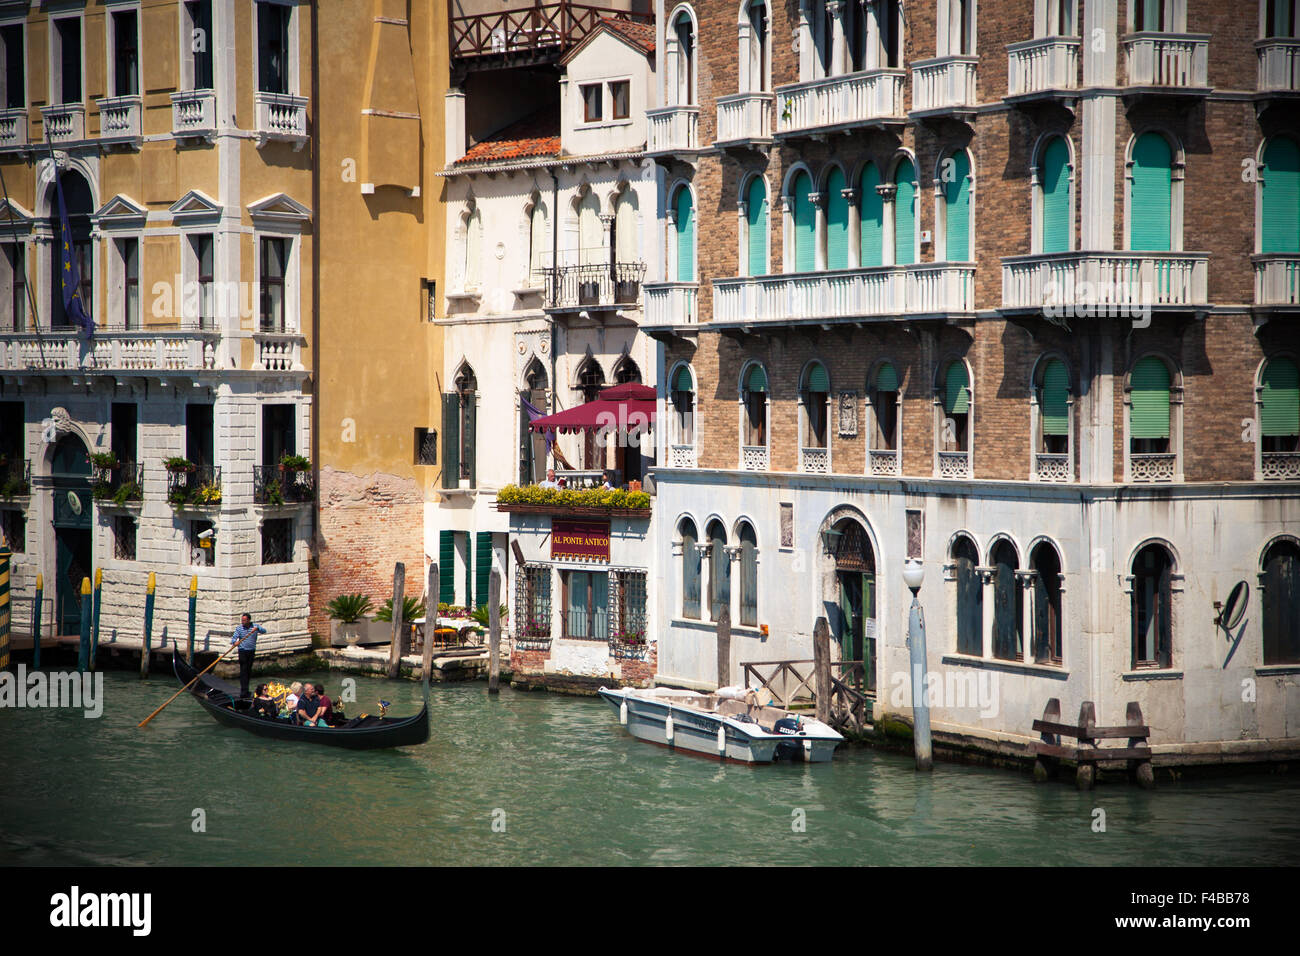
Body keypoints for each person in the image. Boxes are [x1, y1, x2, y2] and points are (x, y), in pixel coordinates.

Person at [229, 613, 267, 698]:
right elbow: (234, 638)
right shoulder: (239, 628)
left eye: (244, 620)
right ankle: (244, 691)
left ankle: (246, 690)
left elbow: (264, 631)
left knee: (248, 671)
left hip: (251, 651)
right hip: (242, 651)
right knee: (244, 671)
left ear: (249, 620)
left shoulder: (255, 626)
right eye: (242, 620)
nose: (242, 622)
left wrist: (258, 628)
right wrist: (235, 642)